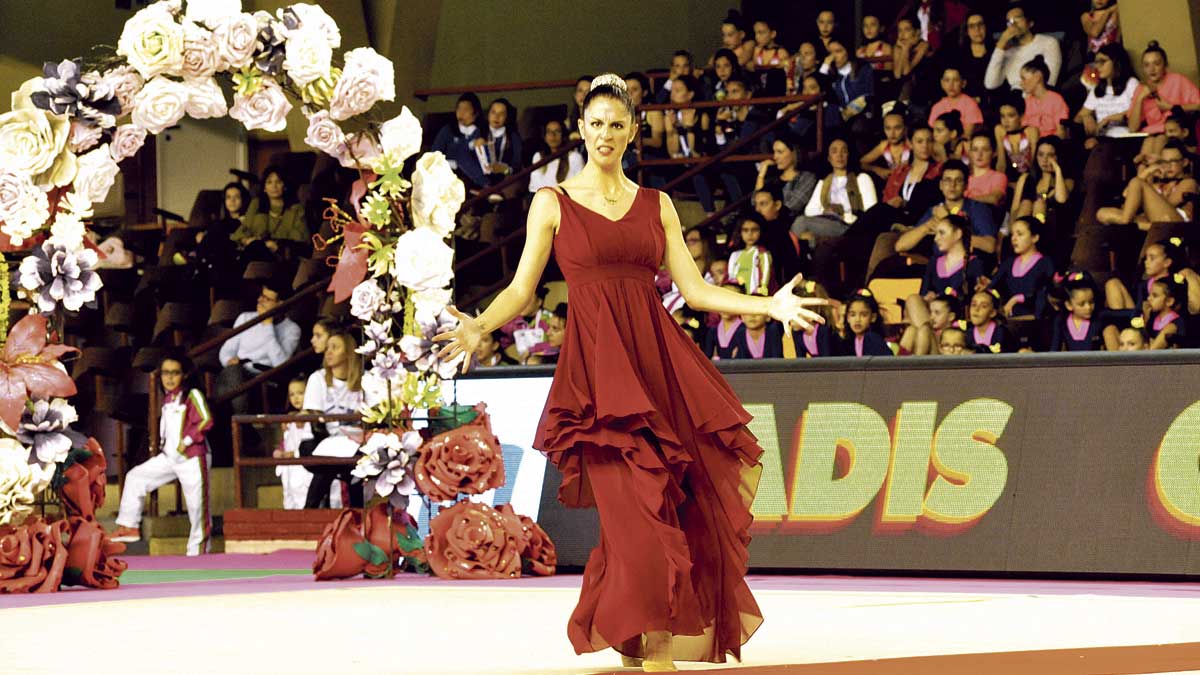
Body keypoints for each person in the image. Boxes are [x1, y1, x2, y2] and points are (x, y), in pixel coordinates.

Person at [433, 73, 826, 671]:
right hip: (596, 381)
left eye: (617, 124)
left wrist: (767, 305)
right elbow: (520, 288)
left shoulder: (657, 204)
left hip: (659, 369)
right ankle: (654, 649)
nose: (605, 134)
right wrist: (479, 327)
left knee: (666, 509)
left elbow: (694, 291)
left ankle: (635, 639)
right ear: (581, 129)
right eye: (595, 124)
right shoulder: (552, 203)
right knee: (635, 518)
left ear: (634, 131)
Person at [111, 352, 213, 556]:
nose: (169, 377)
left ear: (184, 375)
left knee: (197, 506)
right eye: (165, 373)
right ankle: (129, 526)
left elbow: (205, 420)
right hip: (169, 457)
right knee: (135, 477)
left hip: (192, 457)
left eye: (174, 373)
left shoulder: (192, 395)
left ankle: (198, 551)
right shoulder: (167, 398)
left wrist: (186, 443)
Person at [215, 279, 302, 417]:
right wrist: (228, 360)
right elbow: (226, 350)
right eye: (261, 295)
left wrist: (268, 326)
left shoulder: (292, 329)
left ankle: (237, 423)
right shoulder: (245, 318)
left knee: (226, 388)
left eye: (266, 299)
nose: (260, 300)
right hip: (237, 370)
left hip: (262, 375)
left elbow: (280, 364)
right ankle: (240, 422)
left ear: (281, 304)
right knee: (232, 374)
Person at [302, 331, 366, 508]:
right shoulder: (318, 378)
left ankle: (355, 514)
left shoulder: (365, 380)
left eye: (335, 348)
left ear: (348, 353)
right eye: (327, 348)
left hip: (354, 442)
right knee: (329, 460)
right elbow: (316, 422)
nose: (328, 352)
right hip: (319, 441)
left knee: (354, 467)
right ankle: (311, 511)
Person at [1128, 42, 1200, 161]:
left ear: (1165, 65)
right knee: (1148, 144)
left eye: (1156, 63)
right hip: (1151, 134)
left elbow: (1198, 106)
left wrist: (1171, 107)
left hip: (1174, 133)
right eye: (1147, 65)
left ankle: (1157, 175)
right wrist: (1140, 98)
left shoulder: (1177, 80)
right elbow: (1132, 128)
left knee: (1159, 141)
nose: (1152, 69)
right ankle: (1144, 176)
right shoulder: (1141, 89)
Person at [795, 138, 877, 242]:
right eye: (834, 151)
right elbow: (809, 210)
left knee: (801, 222)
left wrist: (845, 214)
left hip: (850, 225)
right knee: (807, 233)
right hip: (826, 221)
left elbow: (872, 212)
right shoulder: (823, 183)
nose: (839, 155)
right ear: (829, 158)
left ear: (849, 155)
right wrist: (825, 210)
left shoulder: (862, 179)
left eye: (843, 151)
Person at [985, 216, 1055, 321]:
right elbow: (993, 286)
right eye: (1012, 234)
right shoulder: (1009, 263)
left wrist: (1018, 298)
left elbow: (1045, 294)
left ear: (1035, 237)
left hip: (1036, 321)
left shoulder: (1045, 263)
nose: (1013, 238)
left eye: (1020, 234)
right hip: (1010, 321)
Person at [232, 166, 310, 254]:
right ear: (264, 188)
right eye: (269, 182)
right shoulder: (256, 204)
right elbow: (243, 230)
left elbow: (301, 241)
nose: (274, 186)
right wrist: (247, 240)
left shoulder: (296, 209)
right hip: (255, 249)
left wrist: (275, 245)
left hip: (282, 254)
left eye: (278, 182)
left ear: (285, 186)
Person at [984, 4, 1062, 92]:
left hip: (1038, 97)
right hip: (1013, 98)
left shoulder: (1048, 43)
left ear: (1030, 23)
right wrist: (1001, 44)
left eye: (1017, 18)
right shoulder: (1008, 52)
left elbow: (1050, 81)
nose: (1013, 24)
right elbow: (990, 84)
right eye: (1009, 21)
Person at [273, 377, 320, 510]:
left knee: (305, 501)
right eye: (292, 394)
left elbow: (315, 445)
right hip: (290, 470)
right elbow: (288, 442)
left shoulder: (314, 418)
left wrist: (293, 453)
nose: (296, 398)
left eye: (300, 393)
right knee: (289, 501)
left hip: (306, 470)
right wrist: (280, 451)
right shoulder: (289, 419)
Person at [431, 92, 487, 188]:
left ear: (476, 113)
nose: (461, 113)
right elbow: (434, 153)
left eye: (466, 110)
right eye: (459, 109)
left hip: (472, 178)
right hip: (448, 173)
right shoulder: (448, 130)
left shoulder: (482, 132)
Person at [1048, 274, 1103, 351]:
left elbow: (1122, 313)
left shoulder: (1098, 317)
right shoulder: (1061, 321)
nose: (1088, 307)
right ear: (1069, 305)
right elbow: (1054, 350)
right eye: (1082, 304)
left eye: (1091, 302)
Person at [529, 120, 585, 193]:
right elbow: (535, 188)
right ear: (545, 137)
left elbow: (580, 189)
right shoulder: (538, 157)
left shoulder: (574, 158)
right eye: (549, 132)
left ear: (563, 135)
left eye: (557, 131)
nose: (553, 135)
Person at [1019, 56, 1068, 139]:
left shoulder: (1056, 100)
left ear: (1037, 77)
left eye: (1024, 79)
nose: (1021, 83)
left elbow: (1061, 132)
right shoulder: (1027, 102)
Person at [994, 93, 1038, 181]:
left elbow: (1034, 164)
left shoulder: (1031, 131)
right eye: (1002, 116)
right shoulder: (999, 130)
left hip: (1030, 177)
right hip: (1010, 176)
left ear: (1021, 116)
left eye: (1011, 116)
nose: (1006, 121)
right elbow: (1001, 162)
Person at [929, 67, 982, 138]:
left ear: (963, 83)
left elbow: (968, 134)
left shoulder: (970, 104)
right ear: (942, 84)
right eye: (947, 80)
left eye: (956, 80)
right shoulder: (937, 107)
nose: (951, 85)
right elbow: (933, 134)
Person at [728, 213, 773, 296]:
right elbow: (732, 276)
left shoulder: (762, 253)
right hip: (737, 293)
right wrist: (740, 283)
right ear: (740, 232)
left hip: (756, 295)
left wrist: (761, 290)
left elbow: (765, 275)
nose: (750, 234)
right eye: (745, 230)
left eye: (755, 230)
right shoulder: (735, 255)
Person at [861, 108, 910, 182]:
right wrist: (877, 169)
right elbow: (862, 163)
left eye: (897, 128)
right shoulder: (884, 146)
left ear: (905, 129)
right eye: (888, 128)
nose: (892, 133)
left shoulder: (911, 145)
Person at [839, 290, 891, 356]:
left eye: (863, 315)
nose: (857, 320)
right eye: (853, 315)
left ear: (873, 317)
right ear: (848, 318)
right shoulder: (848, 342)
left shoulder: (873, 339)